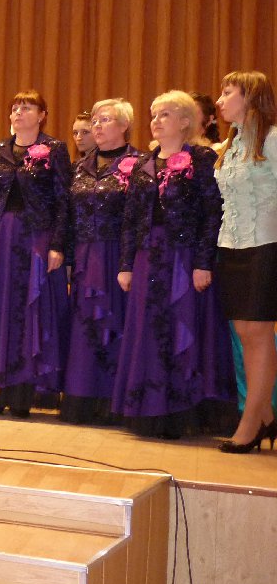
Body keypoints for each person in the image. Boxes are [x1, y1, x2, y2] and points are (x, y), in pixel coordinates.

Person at [113, 91, 235, 438]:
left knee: (181, 328)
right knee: (148, 332)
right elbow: (131, 219)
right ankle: (150, 408)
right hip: (147, 259)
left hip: (183, 258)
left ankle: (182, 411)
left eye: (165, 114)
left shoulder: (201, 159)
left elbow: (212, 214)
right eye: (154, 114)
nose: (156, 121)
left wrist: (203, 262)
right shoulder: (143, 164)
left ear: (185, 121)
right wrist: (126, 264)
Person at [0, 90, 70, 418]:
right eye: (15, 107)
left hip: (35, 237)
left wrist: (57, 244)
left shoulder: (55, 149)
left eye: (27, 107)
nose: (19, 112)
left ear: (42, 115)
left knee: (29, 311)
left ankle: (23, 393)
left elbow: (63, 201)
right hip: (1, 237)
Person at [60, 99, 140, 424]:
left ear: (124, 125)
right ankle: (84, 396)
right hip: (84, 256)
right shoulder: (80, 166)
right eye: (95, 120)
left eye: (105, 120)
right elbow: (66, 216)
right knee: (84, 327)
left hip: (118, 255)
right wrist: (66, 256)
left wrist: (129, 262)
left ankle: (113, 400)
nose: (97, 126)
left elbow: (140, 218)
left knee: (116, 324)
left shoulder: (140, 164)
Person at [214, 71, 277, 453]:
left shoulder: (272, 141)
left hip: (266, 244)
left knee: (258, 333)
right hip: (231, 246)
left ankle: (251, 424)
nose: (220, 100)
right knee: (244, 334)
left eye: (227, 93)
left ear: (250, 97)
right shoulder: (231, 145)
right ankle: (267, 417)